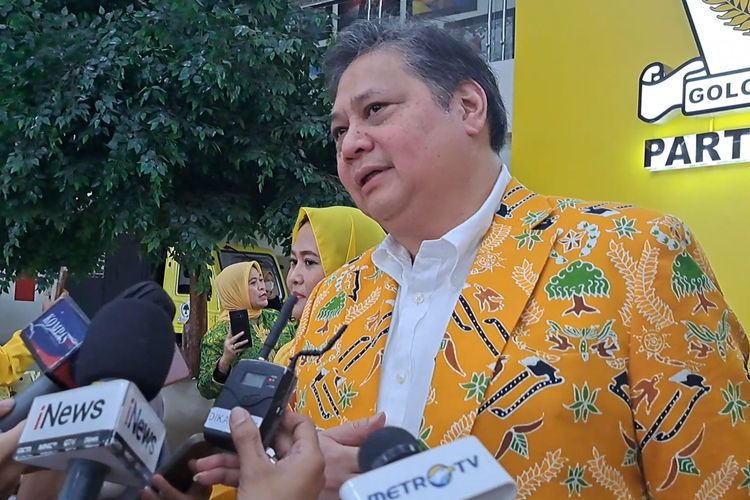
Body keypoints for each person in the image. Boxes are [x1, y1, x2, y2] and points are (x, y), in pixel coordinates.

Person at [277, 19, 750, 499]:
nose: (351, 145)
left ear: (468, 106)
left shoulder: (634, 252)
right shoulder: (331, 300)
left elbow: (721, 480)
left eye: (375, 110)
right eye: (340, 131)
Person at [205, 206, 385, 500]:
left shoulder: (382, 355)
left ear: (354, 269)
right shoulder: (289, 353)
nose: (293, 277)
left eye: (309, 262)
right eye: (293, 261)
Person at [197, 261, 295, 400]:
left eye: (261, 280)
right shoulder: (217, 335)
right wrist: (225, 361)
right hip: (243, 408)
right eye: (253, 283)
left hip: (283, 403)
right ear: (235, 290)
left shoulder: (276, 318)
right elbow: (206, 390)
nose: (262, 286)